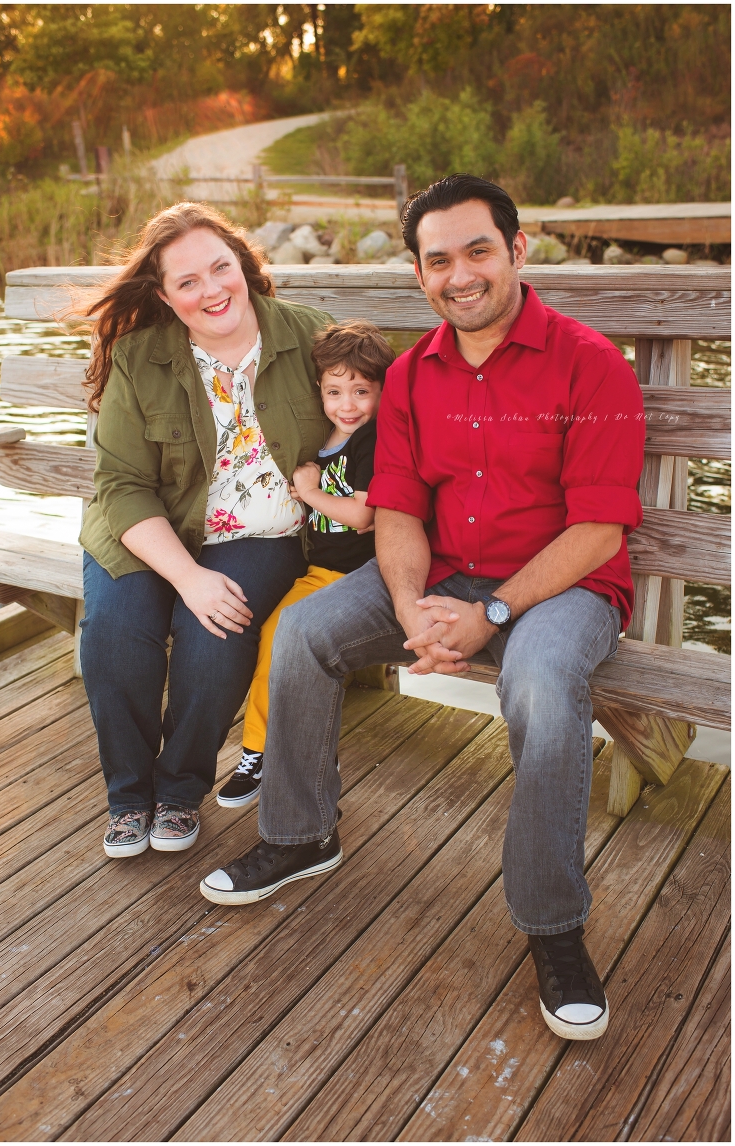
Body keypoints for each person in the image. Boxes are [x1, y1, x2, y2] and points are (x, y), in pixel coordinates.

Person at [200, 174, 645, 1041]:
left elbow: (597, 531)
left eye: (479, 250)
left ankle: (553, 925)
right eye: (438, 260)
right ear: (418, 274)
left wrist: (494, 617)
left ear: (517, 251)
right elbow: (397, 508)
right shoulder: (408, 377)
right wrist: (411, 609)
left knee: (544, 686)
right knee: (305, 630)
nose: (460, 274)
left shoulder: (590, 364)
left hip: (561, 585)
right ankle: (300, 834)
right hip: (436, 574)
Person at [77, 201, 335, 859]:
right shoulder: (141, 357)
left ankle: (179, 791)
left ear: (244, 266)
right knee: (115, 634)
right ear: (164, 295)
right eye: (187, 281)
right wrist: (187, 576)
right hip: (150, 531)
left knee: (216, 632)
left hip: (259, 534)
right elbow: (124, 487)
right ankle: (130, 798)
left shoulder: (311, 337)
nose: (211, 289)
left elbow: (372, 418)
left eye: (221, 268)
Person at [214, 319, 395, 810]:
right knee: (265, 639)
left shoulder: (370, 440)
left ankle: (257, 752)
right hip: (317, 572)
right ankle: (297, 753)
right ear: (319, 390)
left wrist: (311, 493)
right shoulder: (323, 437)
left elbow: (363, 514)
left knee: (279, 636)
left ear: (382, 391)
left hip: (355, 579)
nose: (348, 404)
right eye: (335, 391)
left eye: (362, 391)